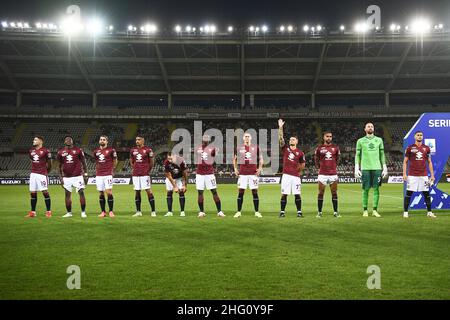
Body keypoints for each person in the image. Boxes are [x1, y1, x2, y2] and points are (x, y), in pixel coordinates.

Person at [354, 122, 388, 217]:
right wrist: (357, 167)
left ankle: (374, 210)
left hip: (377, 168)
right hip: (365, 168)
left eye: (372, 126)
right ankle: (365, 210)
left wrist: (384, 166)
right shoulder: (360, 141)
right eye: (368, 126)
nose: (370, 127)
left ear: (373, 129)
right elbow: (357, 155)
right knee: (365, 189)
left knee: (376, 189)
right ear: (365, 129)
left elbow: (382, 154)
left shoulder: (379, 140)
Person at [403, 131, 436, 218]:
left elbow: (429, 162)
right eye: (418, 135)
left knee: (426, 194)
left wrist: (432, 175)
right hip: (412, 175)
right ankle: (405, 212)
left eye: (421, 135)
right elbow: (405, 162)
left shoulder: (427, 148)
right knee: (409, 193)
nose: (420, 136)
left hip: (423, 175)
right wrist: (404, 174)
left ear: (423, 137)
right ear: (414, 137)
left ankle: (429, 212)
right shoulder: (410, 148)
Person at [278, 119, 306, 218]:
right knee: (284, 194)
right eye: (290, 139)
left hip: (296, 176)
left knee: (297, 194)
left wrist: (298, 171)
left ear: (297, 141)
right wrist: (280, 127)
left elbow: (303, 164)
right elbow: (281, 139)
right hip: (286, 175)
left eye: (293, 139)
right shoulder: (285, 149)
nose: (291, 140)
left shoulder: (300, 153)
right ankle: (282, 212)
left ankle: (299, 212)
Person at [233, 132, 263, 218]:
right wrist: (235, 169)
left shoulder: (256, 147)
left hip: (253, 173)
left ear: (251, 138)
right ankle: (238, 212)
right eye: (245, 136)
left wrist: (260, 168)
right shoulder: (239, 148)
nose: (247, 138)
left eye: (248, 136)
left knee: (254, 192)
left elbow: (261, 158)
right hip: (242, 174)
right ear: (243, 138)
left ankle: (257, 212)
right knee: (241, 192)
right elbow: (234, 159)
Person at [57, 136, 88, 218]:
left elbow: (84, 163)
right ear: (64, 141)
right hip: (66, 177)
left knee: (81, 193)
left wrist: (86, 174)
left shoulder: (78, 150)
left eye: (70, 139)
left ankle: (83, 212)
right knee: (67, 195)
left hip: (78, 176)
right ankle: (69, 213)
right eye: (66, 139)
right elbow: (59, 166)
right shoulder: (60, 152)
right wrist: (60, 177)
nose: (68, 141)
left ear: (72, 141)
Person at [195, 134, 225, 218]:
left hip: (209, 173)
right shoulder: (198, 148)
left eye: (207, 138)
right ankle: (201, 212)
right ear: (202, 139)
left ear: (209, 140)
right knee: (200, 192)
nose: (205, 140)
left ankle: (219, 211)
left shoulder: (212, 148)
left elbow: (216, 156)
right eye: (204, 138)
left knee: (214, 191)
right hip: (200, 173)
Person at [314, 131, 340, 218]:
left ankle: (335, 212)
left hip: (333, 174)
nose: (329, 138)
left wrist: (333, 167)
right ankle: (319, 212)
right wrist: (319, 168)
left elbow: (338, 159)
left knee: (334, 193)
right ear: (324, 137)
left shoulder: (335, 148)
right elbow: (316, 159)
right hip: (322, 174)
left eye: (330, 136)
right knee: (321, 193)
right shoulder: (319, 148)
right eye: (327, 136)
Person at [130, 135, 156, 217]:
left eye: (139, 140)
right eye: (136, 139)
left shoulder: (148, 150)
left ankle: (153, 211)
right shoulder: (132, 150)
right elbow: (131, 160)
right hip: (135, 174)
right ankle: (138, 211)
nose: (137, 141)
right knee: (137, 191)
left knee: (148, 191)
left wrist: (148, 170)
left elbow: (152, 162)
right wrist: (134, 168)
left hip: (144, 174)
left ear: (143, 141)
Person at [27, 136, 52, 218]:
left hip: (42, 174)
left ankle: (48, 211)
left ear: (41, 141)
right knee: (33, 193)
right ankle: (33, 212)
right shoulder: (31, 151)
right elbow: (32, 161)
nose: (33, 141)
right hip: (33, 174)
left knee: (45, 192)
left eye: (35, 140)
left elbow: (49, 163)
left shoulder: (46, 151)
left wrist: (46, 172)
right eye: (33, 139)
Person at [93, 135, 117, 218]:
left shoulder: (111, 150)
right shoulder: (96, 151)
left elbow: (115, 161)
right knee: (100, 193)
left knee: (109, 192)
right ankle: (103, 211)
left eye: (104, 140)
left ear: (107, 141)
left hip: (107, 174)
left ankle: (111, 211)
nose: (102, 141)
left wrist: (112, 170)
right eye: (101, 139)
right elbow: (96, 161)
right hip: (99, 175)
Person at [164, 152, 188, 217]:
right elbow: (168, 175)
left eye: (171, 159)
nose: (170, 160)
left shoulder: (181, 161)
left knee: (181, 192)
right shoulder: (166, 162)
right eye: (168, 159)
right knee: (169, 192)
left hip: (179, 177)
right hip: (171, 178)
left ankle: (182, 212)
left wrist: (185, 185)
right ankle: (169, 212)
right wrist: (174, 186)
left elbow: (185, 173)